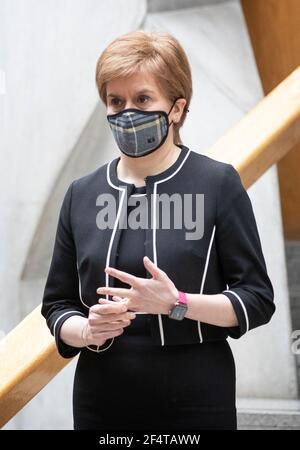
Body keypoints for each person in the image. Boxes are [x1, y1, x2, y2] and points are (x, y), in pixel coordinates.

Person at [41, 30, 275, 430]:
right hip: (102, 397)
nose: (126, 112)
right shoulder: (82, 193)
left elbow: (257, 299)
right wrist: (87, 329)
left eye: (143, 99)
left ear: (177, 108)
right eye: (116, 101)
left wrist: (176, 303)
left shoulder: (217, 184)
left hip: (197, 398)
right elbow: (57, 304)